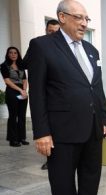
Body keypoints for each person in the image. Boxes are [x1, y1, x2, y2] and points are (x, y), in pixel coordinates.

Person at [26, 1, 106, 195]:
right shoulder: (42, 46)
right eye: (78, 18)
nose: (84, 24)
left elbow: (97, 87)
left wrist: (104, 120)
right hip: (62, 131)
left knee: (91, 176)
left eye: (86, 19)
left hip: (92, 128)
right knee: (62, 182)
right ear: (62, 17)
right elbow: (37, 94)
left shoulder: (92, 50)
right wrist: (42, 132)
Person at [40, 19, 60, 170]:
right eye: (50, 31)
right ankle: (50, 159)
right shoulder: (40, 46)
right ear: (46, 31)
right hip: (46, 98)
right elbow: (26, 63)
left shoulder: (63, 48)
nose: (53, 34)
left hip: (60, 99)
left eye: (56, 31)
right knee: (48, 132)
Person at [0, 47, 29, 147]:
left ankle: (22, 138)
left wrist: (24, 90)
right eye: (11, 53)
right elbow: (7, 81)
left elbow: (25, 79)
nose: (13, 54)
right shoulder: (4, 66)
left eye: (15, 53)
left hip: (23, 92)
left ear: (18, 54)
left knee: (22, 116)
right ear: (8, 54)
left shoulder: (21, 65)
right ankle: (13, 140)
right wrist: (20, 90)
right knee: (13, 116)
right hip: (12, 91)